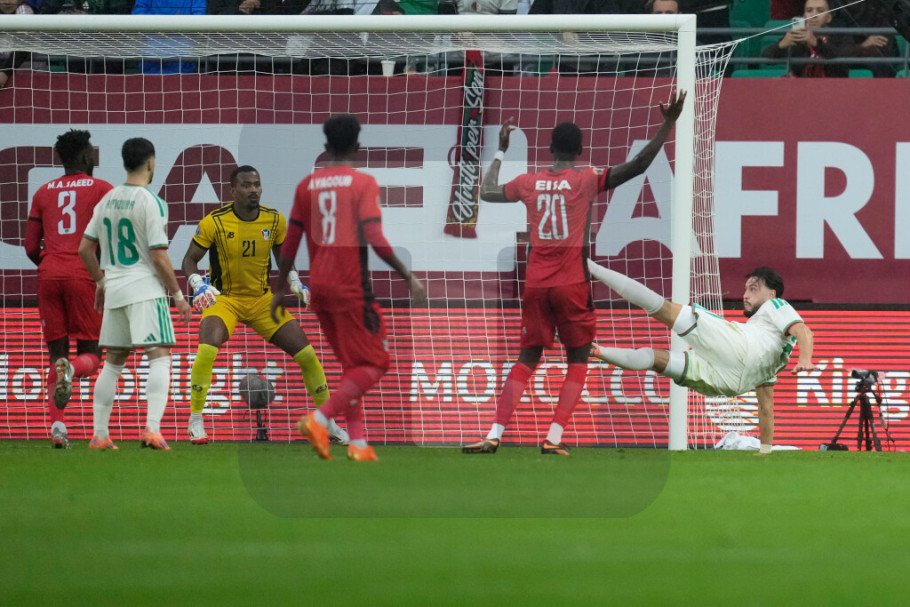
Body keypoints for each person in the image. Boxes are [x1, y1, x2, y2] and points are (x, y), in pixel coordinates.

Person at [462, 91, 687, 456]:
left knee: (527, 358)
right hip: (571, 283)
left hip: (536, 284)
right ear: (580, 150)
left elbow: (486, 192)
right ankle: (552, 437)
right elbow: (638, 166)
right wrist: (668, 123)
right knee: (578, 358)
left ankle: (493, 434)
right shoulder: (585, 179)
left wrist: (501, 150)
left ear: (550, 149)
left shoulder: (528, 182)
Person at [271, 114, 426, 462]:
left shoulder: (306, 186)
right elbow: (374, 236)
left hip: (319, 290)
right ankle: (319, 419)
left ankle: (357, 443)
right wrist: (407, 275)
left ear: (326, 146)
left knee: (351, 365)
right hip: (351, 287)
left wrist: (280, 289)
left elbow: (290, 241)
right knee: (377, 362)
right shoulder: (362, 183)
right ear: (358, 146)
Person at [182, 165, 349, 446]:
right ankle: (196, 420)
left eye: (257, 184)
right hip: (226, 300)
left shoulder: (274, 220)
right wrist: (197, 283)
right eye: (246, 185)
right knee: (207, 349)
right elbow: (189, 259)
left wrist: (295, 281)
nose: (253, 190)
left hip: (262, 301)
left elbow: (283, 257)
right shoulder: (214, 222)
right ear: (233, 191)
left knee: (308, 355)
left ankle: (328, 423)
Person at [586, 264, 815, 455]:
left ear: (771, 294)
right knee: (656, 359)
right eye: (746, 289)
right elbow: (766, 407)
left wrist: (805, 358)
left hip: (739, 347)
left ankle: (591, 267)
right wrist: (765, 449)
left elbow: (803, 330)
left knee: (662, 308)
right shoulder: (775, 355)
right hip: (730, 384)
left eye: (753, 289)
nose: (746, 295)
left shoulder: (777, 305)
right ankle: (599, 351)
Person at [77, 137, 193, 450]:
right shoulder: (151, 202)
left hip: (115, 290)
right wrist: (178, 296)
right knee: (160, 357)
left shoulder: (107, 200)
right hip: (144, 290)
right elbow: (158, 255)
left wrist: (101, 282)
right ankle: (152, 429)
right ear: (151, 163)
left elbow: (85, 249)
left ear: (125, 163)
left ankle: (100, 435)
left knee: (113, 363)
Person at [25, 130, 114, 449]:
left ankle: (58, 429)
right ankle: (71, 370)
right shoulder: (103, 189)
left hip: (49, 275)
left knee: (56, 355)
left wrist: (51, 263)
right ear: (87, 156)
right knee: (91, 356)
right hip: (83, 275)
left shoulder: (43, 192)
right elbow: (112, 240)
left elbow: (30, 246)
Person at [762, 0, 854, 77]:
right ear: (804, 16)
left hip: (832, 88)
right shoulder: (797, 37)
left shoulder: (841, 36)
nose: (814, 15)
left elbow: (843, 64)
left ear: (828, 18)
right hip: (801, 89)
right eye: (809, 10)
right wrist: (782, 44)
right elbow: (765, 58)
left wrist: (816, 43)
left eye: (820, 11)